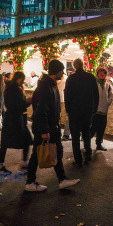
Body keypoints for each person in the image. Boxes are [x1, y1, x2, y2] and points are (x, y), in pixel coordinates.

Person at [27, 60, 80, 192]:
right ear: (56, 71)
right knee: (36, 154)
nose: (63, 73)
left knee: (56, 151)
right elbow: (41, 111)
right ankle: (30, 182)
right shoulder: (45, 87)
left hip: (52, 126)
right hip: (45, 127)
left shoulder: (51, 85)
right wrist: (44, 130)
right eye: (61, 70)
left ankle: (62, 180)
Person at [64, 58, 99, 166]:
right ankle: (88, 155)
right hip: (87, 110)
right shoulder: (90, 77)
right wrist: (94, 109)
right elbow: (96, 95)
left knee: (75, 136)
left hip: (74, 111)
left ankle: (78, 160)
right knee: (86, 134)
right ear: (83, 65)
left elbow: (67, 96)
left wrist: (68, 110)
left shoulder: (71, 78)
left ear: (74, 66)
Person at [0, 72, 33, 174]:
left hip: (11, 118)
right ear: (18, 78)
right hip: (16, 118)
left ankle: (1, 165)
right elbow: (18, 104)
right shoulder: (15, 89)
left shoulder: (11, 88)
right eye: (22, 79)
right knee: (26, 139)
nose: (23, 81)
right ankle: (24, 163)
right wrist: (27, 102)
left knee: (5, 142)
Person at [90, 67, 113, 151]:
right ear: (97, 74)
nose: (102, 74)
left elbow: (110, 95)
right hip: (95, 111)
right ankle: (87, 144)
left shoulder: (107, 85)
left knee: (101, 129)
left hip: (104, 111)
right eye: (100, 73)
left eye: (103, 73)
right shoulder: (94, 84)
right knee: (93, 129)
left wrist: (108, 102)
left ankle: (99, 144)